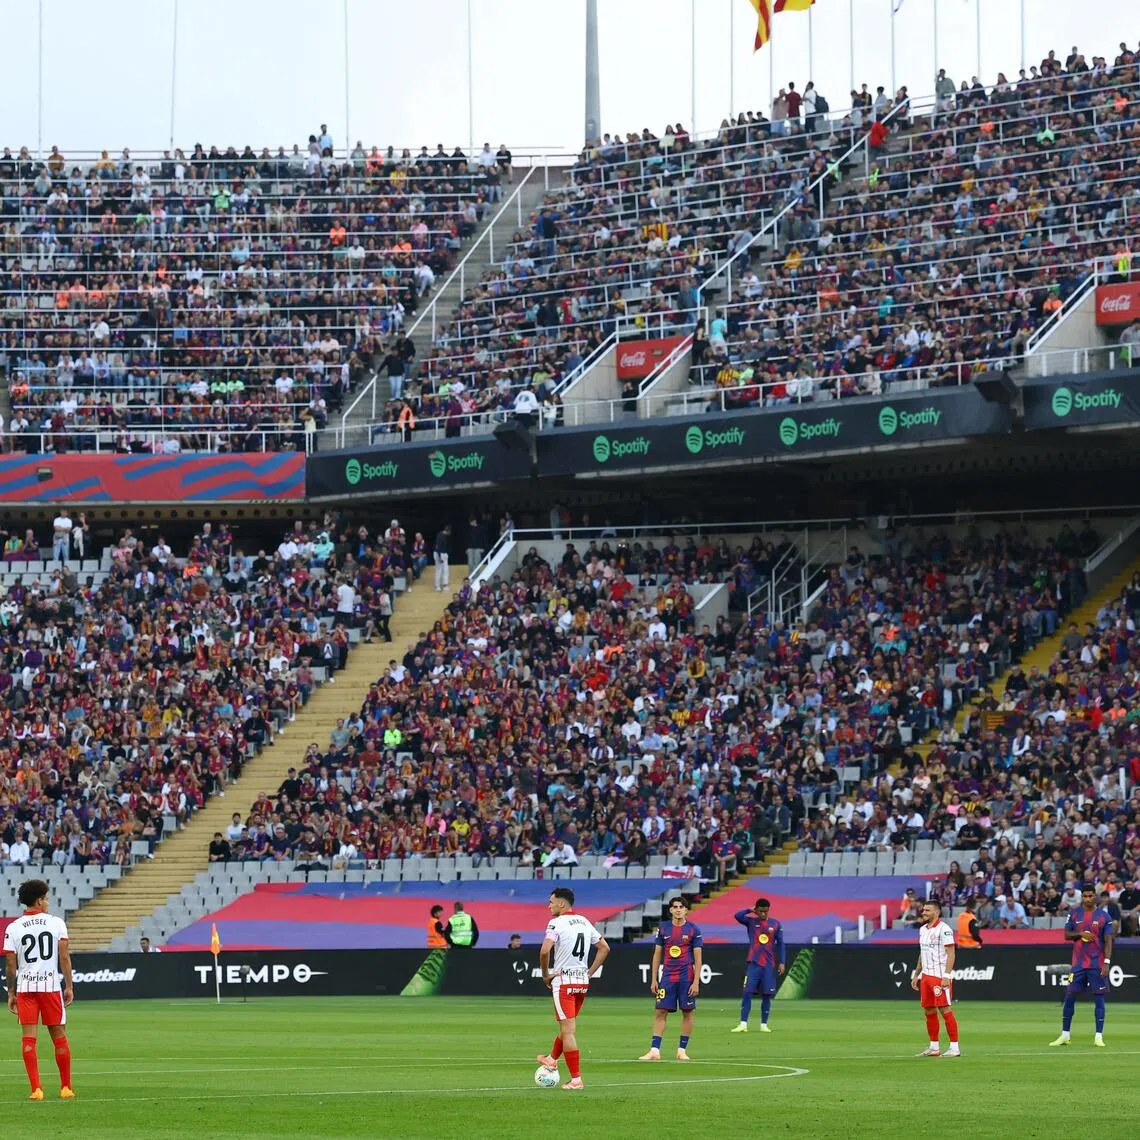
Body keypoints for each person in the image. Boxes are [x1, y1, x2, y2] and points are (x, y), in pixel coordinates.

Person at [3, 879, 75, 1099]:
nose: (48, 902)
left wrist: (11, 993)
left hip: (26, 988)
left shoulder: (13, 927)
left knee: (28, 1038)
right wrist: (69, 986)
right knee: (59, 1034)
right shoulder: (56, 923)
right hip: (50, 986)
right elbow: (64, 956)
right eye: (46, 898)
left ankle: (36, 1089)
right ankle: (65, 1087)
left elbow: (10, 964)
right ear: (39, 900)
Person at [535, 887, 610, 1090]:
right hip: (581, 982)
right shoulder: (585, 921)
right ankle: (551, 1058)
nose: (548, 905)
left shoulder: (556, 923)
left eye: (551, 902)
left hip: (564, 981)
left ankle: (576, 1079)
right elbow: (605, 948)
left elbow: (544, 951)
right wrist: (589, 973)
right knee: (567, 1027)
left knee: (568, 1031)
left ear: (561, 903)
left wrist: (545, 975)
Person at [639, 897, 702, 1061]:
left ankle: (682, 1050)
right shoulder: (663, 928)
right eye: (675, 907)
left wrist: (696, 981)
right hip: (667, 976)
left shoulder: (694, 929)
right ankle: (654, 1050)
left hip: (686, 976)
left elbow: (698, 958)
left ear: (686, 910)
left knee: (687, 1012)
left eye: (682, 906)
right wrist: (654, 979)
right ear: (671, 910)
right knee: (660, 1011)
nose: (679, 909)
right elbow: (656, 955)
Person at [1050, 886, 1113, 1048]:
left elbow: (1108, 940)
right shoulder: (1074, 913)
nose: (1087, 899)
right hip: (1078, 965)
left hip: (1096, 964)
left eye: (1090, 896)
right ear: (1082, 897)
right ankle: (1065, 1035)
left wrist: (1106, 962)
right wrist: (1080, 934)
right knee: (1069, 997)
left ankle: (1098, 1036)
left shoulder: (1104, 916)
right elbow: (1066, 934)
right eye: (1085, 896)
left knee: (1099, 998)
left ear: (1095, 896)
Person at [910, 899, 960, 1057]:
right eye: (923, 910)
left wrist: (946, 975)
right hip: (926, 976)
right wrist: (916, 974)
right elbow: (922, 953)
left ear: (937, 912)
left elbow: (951, 953)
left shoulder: (944, 930)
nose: (923, 913)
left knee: (945, 1009)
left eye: (927, 910)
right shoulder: (923, 929)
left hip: (939, 976)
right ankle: (934, 1047)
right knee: (928, 1010)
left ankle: (954, 1047)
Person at [731, 897, 784, 1032]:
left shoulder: (776, 924)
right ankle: (743, 1024)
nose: (764, 914)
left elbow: (781, 945)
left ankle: (764, 1025)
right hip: (753, 964)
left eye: (766, 911)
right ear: (756, 910)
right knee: (747, 993)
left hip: (768, 965)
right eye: (761, 911)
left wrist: (782, 962)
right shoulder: (751, 922)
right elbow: (737, 916)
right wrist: (750, 910)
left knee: (767, 994)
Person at [433, 524, 451, 592]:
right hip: (440, 554)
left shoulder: (440, 535)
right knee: (442, 570)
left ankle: (438, 586)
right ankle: (442, 586)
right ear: (448, 531)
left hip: (440, 553)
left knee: (441, 570)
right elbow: (438, 546)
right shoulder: (441, 536)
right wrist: (440, 557)